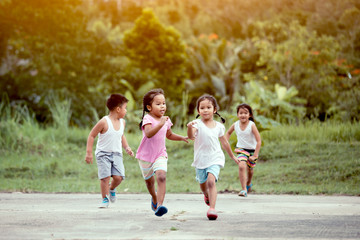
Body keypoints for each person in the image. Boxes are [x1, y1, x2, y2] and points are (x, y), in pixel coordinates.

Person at [136, 88, 188, 217]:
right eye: (158, 104)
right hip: (145, 156)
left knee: (161, 176)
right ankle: (154, 197)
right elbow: (148, 134)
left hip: (160, 154)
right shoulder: (147, 118)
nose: (162, 106)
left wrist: (181, 137)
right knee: (149, 183)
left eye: (163, 103)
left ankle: (160, 206)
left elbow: (169, 134)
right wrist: (160, 123)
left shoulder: (165, 120)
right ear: (149, 107)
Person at [187, 94, 239, 220]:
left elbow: (225, 143)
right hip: (200, 159)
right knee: (203, 184)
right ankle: (206, 195)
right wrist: (189, 127)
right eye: (202, 108)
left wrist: (232, 156)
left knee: (211, 181)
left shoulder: (219, 126)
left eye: (208, 107)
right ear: (198, 110)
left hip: (215, 158)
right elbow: (191, 137)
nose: (205, 110)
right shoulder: (196, 124)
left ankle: (212, 209)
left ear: (214, 110)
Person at [85, 94, 134, 208]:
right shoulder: (104, 122)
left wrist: (127, 147)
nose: (126, 110)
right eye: (125, 108)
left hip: (117, 154)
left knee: (119, 177)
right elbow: (92, 135)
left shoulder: (122, 122)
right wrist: (89, 153)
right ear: (118, 109)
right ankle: (105, 199)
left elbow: (121, 135)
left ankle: (112, 188)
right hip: (103, 154)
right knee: (105, 177)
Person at [225, 103, 261, 197]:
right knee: (241, 166)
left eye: (245, 113)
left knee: (250, 170)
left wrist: (255, 155)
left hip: (252, 150)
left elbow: (258, 140)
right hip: (241, 150)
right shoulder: (235, 124)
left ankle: (249, 183)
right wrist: (225, 142)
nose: (243, 115)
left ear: (249, 115)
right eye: (241, 113)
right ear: (237, 115)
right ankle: (244, 189)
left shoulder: (252, 125)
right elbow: (228, 133)